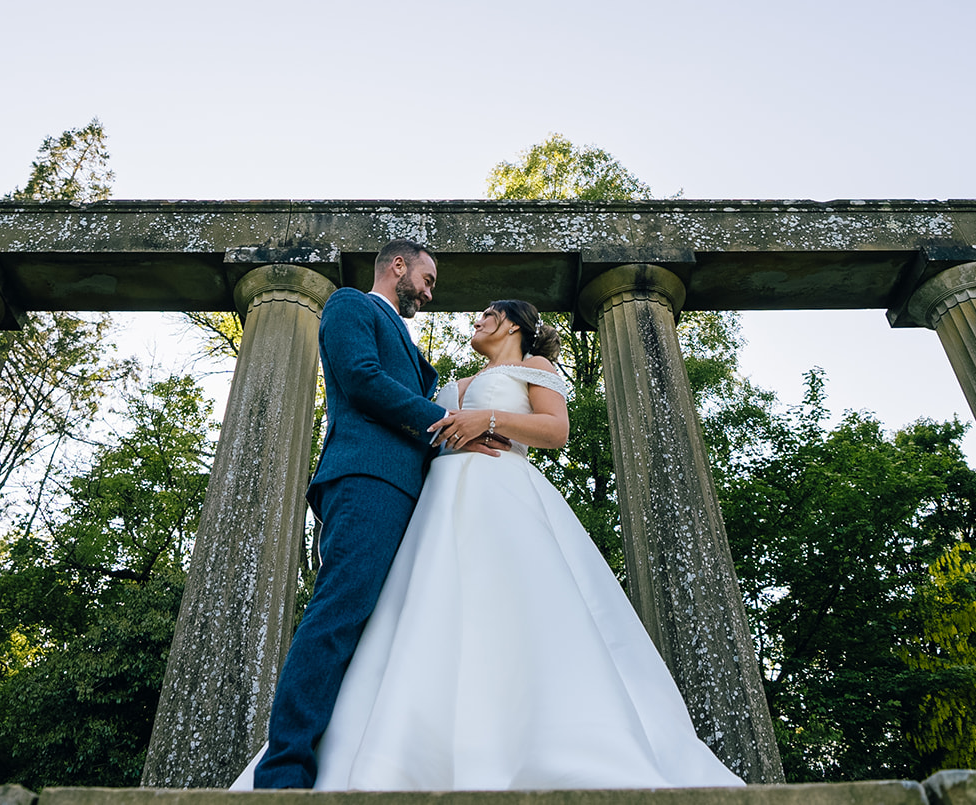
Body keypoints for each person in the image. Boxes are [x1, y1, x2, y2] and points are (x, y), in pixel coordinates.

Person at [238, 297, 743, 790]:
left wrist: (490, 420)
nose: (474, 324)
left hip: (502, 495)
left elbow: (555, 430)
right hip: (436, 504)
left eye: (484, 316)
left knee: (512, 614)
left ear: (509, 323)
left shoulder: (534, 366)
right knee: (421, 616)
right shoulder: (448, 384)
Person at [251, 239, 455, 789]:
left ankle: (353, 766)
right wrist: (446, 424)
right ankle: (284, 771)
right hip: (367, 478)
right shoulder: (349, 305)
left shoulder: (407, 340)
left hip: (412, 493)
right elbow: (363, 379)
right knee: (338, 613)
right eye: (427, 279)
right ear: (397, 266)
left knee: (384, 628)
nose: (430, 293)